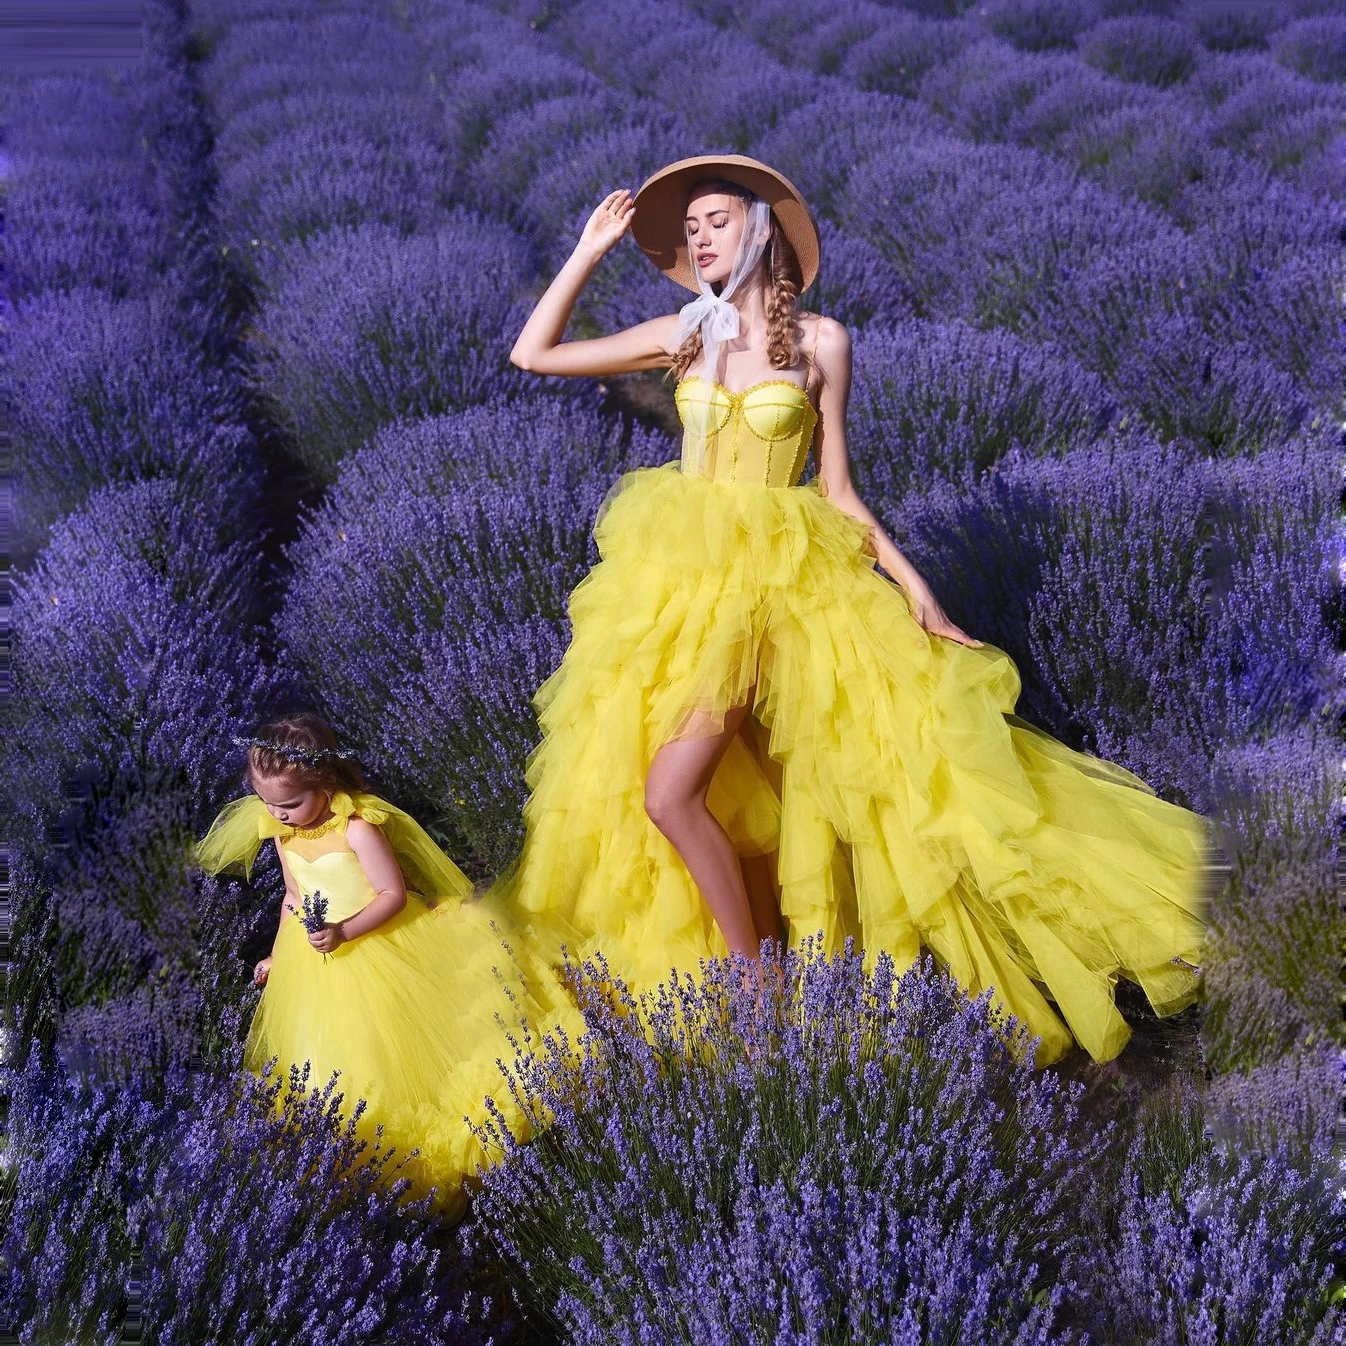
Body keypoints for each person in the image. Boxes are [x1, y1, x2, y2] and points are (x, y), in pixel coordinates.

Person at [486, 152, 1216, 1070]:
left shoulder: (823, 343)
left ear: (760, 231)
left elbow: (838, 490)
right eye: (692, 228)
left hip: (788, 586)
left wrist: (920, 594)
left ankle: (762, 983)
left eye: (716, 220)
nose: (700, 237)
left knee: (847, 779)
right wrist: (589, 250)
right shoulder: (684, 332)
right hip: (682, 585)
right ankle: (764, 968)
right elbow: (534, 352)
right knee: (683, 790)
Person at [196, 712, 583, 1219]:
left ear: (326, 782)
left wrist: (343, 931)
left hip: (377, 944)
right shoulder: (282, 833)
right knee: (328, 1052)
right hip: (317, 964)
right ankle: (340, 1146)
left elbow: (392, 895)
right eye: (268, 802)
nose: (278, 814)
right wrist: (279, 951)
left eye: (289, 803)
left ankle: (416, 1147)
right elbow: (294, 898)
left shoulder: (357, 828)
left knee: (396, 1045)